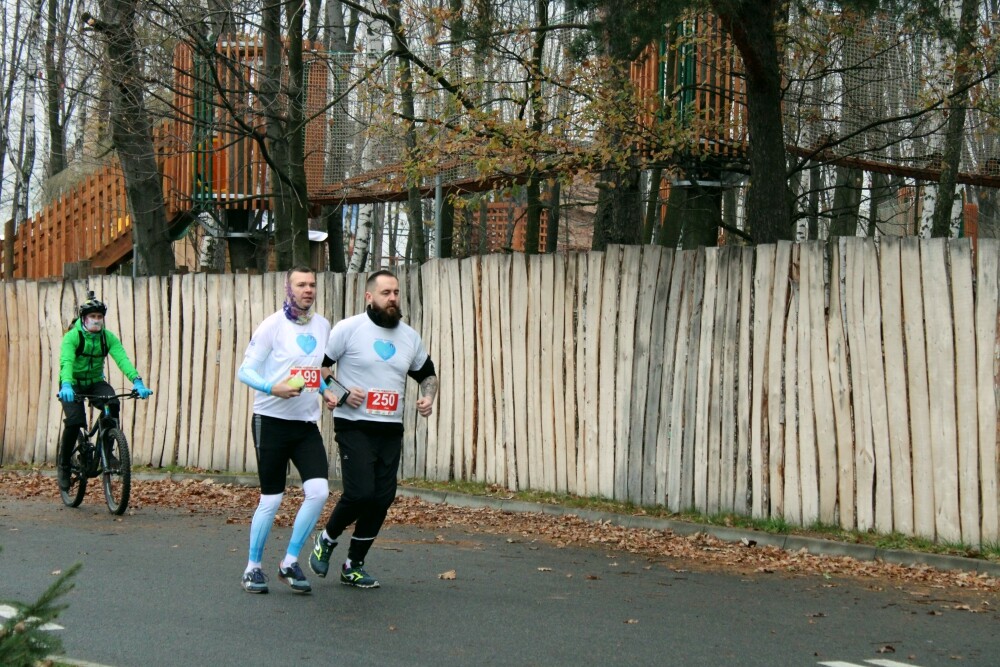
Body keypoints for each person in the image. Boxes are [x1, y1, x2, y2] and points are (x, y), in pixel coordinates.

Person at [309, 269, 438, 589]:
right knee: (361, 492)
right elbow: (318, 369)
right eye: (386, 293)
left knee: (382, 497)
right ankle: (326, 539)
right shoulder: (349, 329)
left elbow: (427, 374)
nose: (393, 298)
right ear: (370, 297)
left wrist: (428, 397)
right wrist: (339, 392)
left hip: (390, 427)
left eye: (396, 292)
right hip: (354, 425)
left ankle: (354, 564)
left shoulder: (409, 336)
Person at [237, 266, 341, 595]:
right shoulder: (272, 326)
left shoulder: (323, 326)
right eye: (301, 284)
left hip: (305, 425)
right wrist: (272, 387)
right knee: (272, 497)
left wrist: (325, 390)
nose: (308, 290)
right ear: (289, 288)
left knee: (320, 492)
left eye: (312, 284)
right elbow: (245, 371)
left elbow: (314, 372)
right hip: (270, 422)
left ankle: (289, 561)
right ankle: (252, 568)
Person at [57, 291, 153, 491]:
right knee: (75, 421)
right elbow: (66, 362)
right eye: (93, 317)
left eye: (100, 317)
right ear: (84, 318)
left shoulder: (107, 338)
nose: (96, 320)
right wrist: (66, 384)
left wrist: (137, 381)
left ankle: (108, 452)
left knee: (113, 403)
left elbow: (122, 359)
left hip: (95, 381)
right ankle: (64, 466)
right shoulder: (72, 337)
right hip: (72, 383)